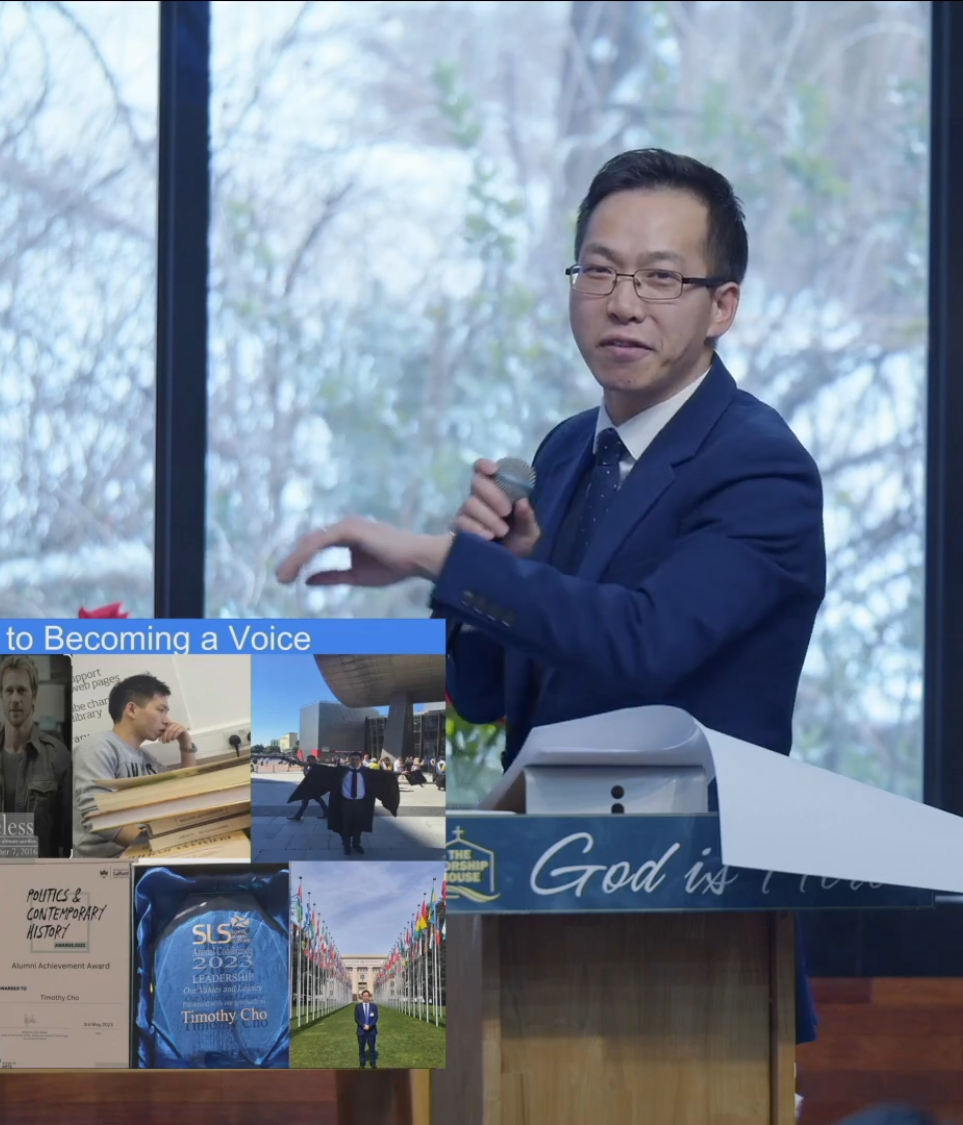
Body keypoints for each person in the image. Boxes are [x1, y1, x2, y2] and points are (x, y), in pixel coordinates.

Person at [273, 150, 824, 1047]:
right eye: (599, 270)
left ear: (722, 305)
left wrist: (442, 559)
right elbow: (488, 692)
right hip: (536, 923)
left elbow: (645, 642)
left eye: (660, 277)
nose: (623, 302)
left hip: (691, 944)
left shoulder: (759, 464)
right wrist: (501, 568)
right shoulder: (567, 452)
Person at [72, 673, 198, 858]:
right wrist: (161, 846)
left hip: (141, 852)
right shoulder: (97, 746)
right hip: (108, 861)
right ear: (131, 710)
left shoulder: (145, 758)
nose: (167, 720)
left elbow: (185, 790)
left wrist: (185, 743)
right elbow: (96, 815)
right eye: (161, 710)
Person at [0, 655, 75, 857]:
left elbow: (68, 842)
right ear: (1, 696)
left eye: (22, 690)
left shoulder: (58, 758)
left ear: (34, 696)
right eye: (9, 690)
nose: (15, 698)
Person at [355, 989, 381, 1068]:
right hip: (361, 1031)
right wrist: (363, 1025)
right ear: (362, 997)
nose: (366, 997)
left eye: (367, 996)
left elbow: (375, 1018)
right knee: (361, 1048)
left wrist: (369, 1025)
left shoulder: (374, 1006)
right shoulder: (358, 1006)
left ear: (369, 997)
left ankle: (373, 1063)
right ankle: (362, 1063)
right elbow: (357, 1018)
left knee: (372, 1048)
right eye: (364, 996)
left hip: (371, 1030)